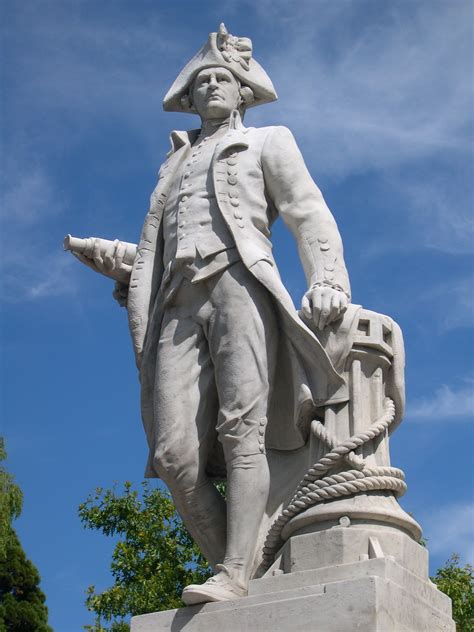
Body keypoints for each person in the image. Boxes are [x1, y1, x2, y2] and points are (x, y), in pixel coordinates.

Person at [79, 24, 351, 605]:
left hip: (239, 284)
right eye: (201, 81)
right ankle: (247, 563)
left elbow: (308, 212)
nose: (210, 88)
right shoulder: (171, 167)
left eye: (220, 78)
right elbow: (157, 246)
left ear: (242, 90)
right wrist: (128, 274)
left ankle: (235, 573)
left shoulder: (268, 141)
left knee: (241, 430)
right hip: (176, 301)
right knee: (174, 454)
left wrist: (327, 279)